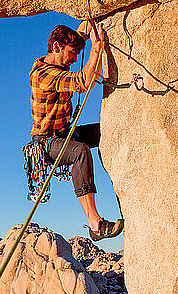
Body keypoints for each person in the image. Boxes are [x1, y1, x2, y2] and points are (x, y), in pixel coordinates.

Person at [29, 23, 123, 241]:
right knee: (80, 151)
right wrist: (96, 47)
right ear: (56, 47)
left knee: (106, 130)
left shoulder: (60, 59)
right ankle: (95, 224)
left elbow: (80, 33)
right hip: (46, 143)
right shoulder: (42, 75)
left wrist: (87, 22)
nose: (74, 58)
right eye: (72, 53)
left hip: (64, 134)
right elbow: (84, 82)